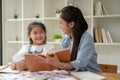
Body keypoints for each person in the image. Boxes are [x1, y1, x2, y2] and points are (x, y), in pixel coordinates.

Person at [35, 6, 102, 72]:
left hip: (92, 75)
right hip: (74, 74)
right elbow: (61, 59)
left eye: (61, 23)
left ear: (71, 24)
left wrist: (58, 64)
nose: (59, 26)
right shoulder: (66, 40)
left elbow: (81, 64)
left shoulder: (86, 38)